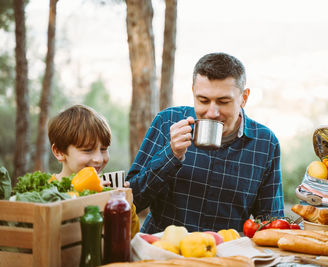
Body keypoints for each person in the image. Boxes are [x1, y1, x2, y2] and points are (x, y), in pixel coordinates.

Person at [127, 52, 284, 234]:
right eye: (203, 100)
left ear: (244, 98)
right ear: (193, 91)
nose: (212, 112)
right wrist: (171, 154)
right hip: (162, 251)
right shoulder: (167, 122)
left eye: (223, 101)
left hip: (224, 256)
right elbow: (132, 201)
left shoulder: (265, 143)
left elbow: (270, 221)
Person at [48, 104, 140, 237]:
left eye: (103, 149)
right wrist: (84, 196)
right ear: (59, 152)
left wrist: (125, 205)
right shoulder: (47, 191)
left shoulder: (108, 188)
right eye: (87, 150)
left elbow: (132, 236)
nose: (98, 159)